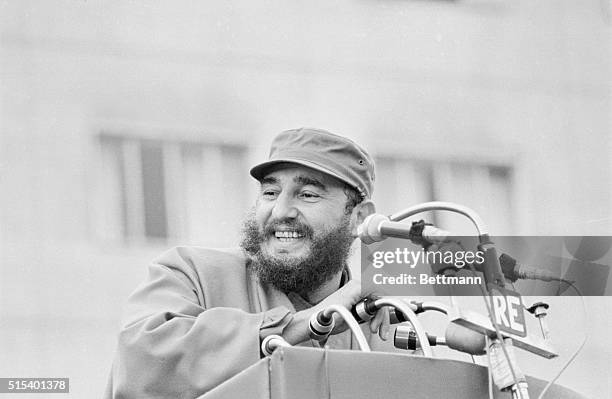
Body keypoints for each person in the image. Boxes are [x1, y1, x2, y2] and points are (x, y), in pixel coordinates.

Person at [105, 128, 390, 399]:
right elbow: (141, 362)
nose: (280, 211)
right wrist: (307, 323)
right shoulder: (191, 273)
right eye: (270, 193)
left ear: (361, 218)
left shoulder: (382, 328)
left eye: (308, 195)